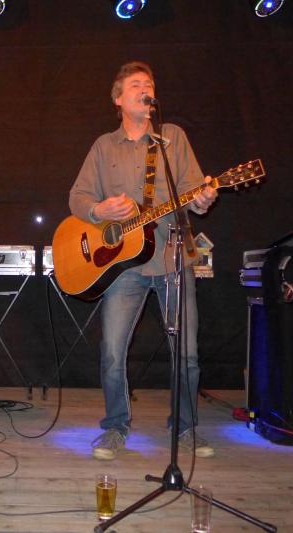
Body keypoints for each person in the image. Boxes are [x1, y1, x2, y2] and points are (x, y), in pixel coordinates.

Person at [68, 62, 218, 461]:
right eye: (136, 84)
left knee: (186, 354)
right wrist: (99, 210)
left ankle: (184, 427)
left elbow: (194, 193)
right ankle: (115, 427)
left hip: (172, 257)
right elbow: (77, 198)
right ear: (118, 99)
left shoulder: (172, 138)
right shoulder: (103, 146)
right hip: (124, 267)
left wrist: (203, 198)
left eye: (149, 84)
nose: (145, 89)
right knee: (112, 353)